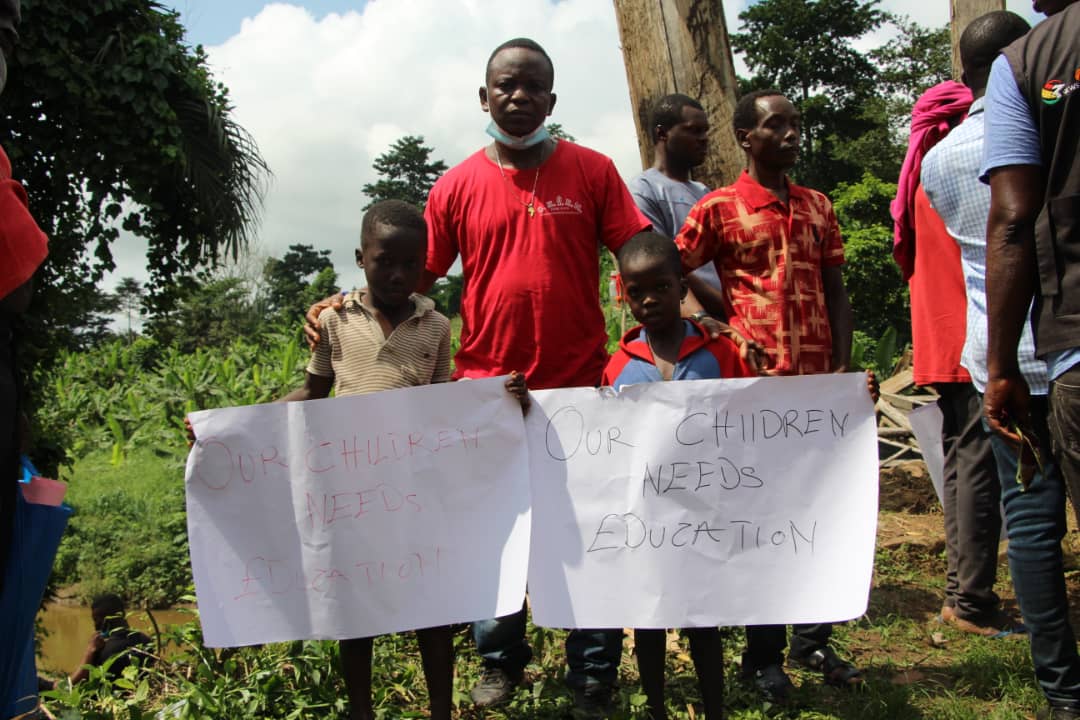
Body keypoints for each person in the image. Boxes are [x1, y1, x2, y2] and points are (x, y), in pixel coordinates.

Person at [307, 38, 651, 717]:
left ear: (552, 101)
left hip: (581, 387)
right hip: (485, 395)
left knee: (588, 531)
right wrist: (339, 304)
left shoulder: (593, 171)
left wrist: (678, 326)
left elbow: (637, 253)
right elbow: (408, 277)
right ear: (484, 97)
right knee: (493, 534)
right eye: (505, 86)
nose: (518, 98)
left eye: (532, 88)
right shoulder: (456, 185)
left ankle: (592, 672)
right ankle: (500, 662)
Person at [194, 199, 529, 720]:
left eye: (409, 264)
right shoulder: (332, 321)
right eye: (383, 261)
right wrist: (230, 428)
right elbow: (313, 391)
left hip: (414, 490)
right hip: (348, 495)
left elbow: (441, 407)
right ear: (360, 257)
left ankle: (440, 709)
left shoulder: (435, 326)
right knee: (356, 611)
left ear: (425, 264)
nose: (396, 274)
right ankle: (361, 711)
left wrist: (499, 397)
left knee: (432, 607)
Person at [674, 89, 858, 702]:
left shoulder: (818, 206)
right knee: (763, 524)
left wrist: (842, 366)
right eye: (776, 125)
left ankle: (815, 638)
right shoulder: (719, 209)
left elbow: (835, 288)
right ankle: (763, 655)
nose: (790, 135)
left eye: (795, 125)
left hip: (817, 392)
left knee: (818, 516)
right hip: (753, 398)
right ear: (746, 138)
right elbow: (664, 273)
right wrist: (711, 324)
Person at [602, 231, 755, 720]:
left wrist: (857, 395)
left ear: (681, 284)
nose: (648, 299)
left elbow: (760, 421)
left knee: (701, 619)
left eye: (661, 287)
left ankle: (715, 708)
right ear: (623, 291)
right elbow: (603, 443)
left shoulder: (721, 353)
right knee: (649, 618)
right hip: (646, 522)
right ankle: (656, 709)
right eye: (636, 290)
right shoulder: (618, 367)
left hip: (707, 515)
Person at [919, 13, 1033, 639]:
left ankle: (983, 602)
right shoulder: (1030, 139)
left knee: (1018, 496)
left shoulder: (933, 159)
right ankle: (972, 598)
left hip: (975, 340)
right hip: (1024, 339)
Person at [981, 0, 1080, 717]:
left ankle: (1065, 694)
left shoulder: (1025, 67)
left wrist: (1001, 365)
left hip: (1068, 339)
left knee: (1037, 525)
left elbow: (1013, 218)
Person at [69, 594, 152, 685]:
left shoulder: (101, 650)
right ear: (123, 614)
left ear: (104, 622)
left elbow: (74, 684)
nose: (95, 625)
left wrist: (90, 652)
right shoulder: (146, 640)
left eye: (96, 620)